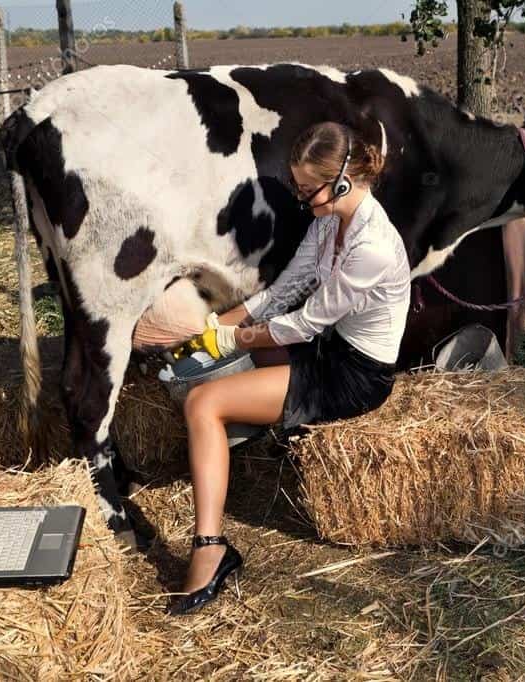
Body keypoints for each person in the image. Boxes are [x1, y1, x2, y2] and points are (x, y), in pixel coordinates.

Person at [166, 121, 412, 616]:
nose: (303, 200)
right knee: (224, 363)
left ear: (342, 180)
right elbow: (283, 292)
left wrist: (231, 338)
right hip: (327, 347)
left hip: (355, 375)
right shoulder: (328, 220)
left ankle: (211, 548)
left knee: (203, 401)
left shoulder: (373, 247)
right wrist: (215, 328)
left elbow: (302, 324)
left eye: (307, 190)